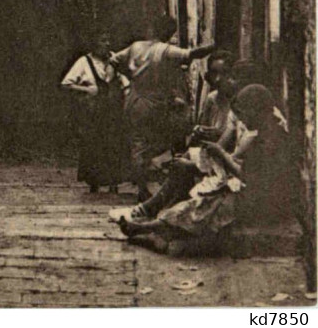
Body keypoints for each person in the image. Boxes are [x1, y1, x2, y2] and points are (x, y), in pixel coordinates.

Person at [118, 84, 292, 250]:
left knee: (206, 205)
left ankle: (150, 229)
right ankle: (153, 230)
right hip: (256, 195)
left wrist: (221, 155)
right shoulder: (269, 132)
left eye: (245, 115)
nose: (243, 121)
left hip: (263, 204)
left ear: (257, 111)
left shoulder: (271, 140)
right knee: (204, 202)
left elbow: (248, 176)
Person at [111, 15, 215, 201]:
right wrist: (215, 46)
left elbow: (114, 61)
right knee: (172, 137)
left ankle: (143, 188)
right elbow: (191, 54)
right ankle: (173, 183)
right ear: (170, 32)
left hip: (134, 99)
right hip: (155, 102)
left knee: (139, 144)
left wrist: (131, 75)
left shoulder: (136, 46)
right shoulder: (165, 49)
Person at [61, 30, 128, 193]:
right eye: (103, 41)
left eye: (108, 41)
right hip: (93, 112)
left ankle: (114, 183)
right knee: (94, 145)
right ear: (94, 44)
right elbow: (66, 84)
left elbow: (127, 82)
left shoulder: (116, 59)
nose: (107, 44)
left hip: (113, 111)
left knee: (114, 144)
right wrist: (87, 90)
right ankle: (94, 183)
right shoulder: (84, 62)